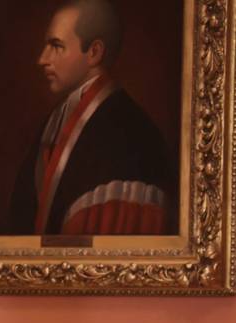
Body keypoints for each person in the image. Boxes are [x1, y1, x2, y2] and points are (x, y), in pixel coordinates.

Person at [10, 0, 174, 236]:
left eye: (56, 46)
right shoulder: (56, 121)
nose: (42, 59)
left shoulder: (131, 134)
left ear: (94, 53)